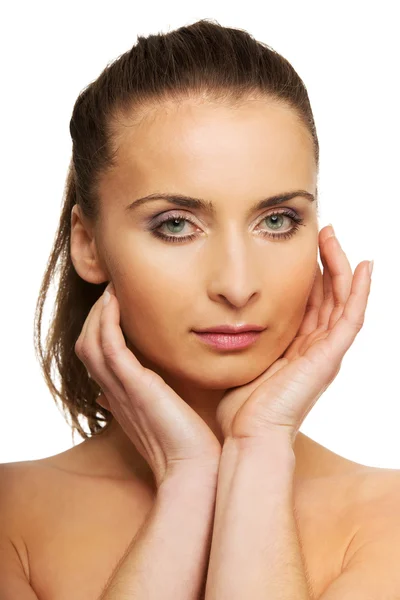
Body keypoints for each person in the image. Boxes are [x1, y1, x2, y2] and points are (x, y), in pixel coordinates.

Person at [0, 17, 398, 600]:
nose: (237, 286)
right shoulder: (12, 518)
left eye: (277, 221)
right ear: (88, 244)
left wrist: (259, 449)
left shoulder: (386, 519)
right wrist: (188, 481)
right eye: (176, 225)